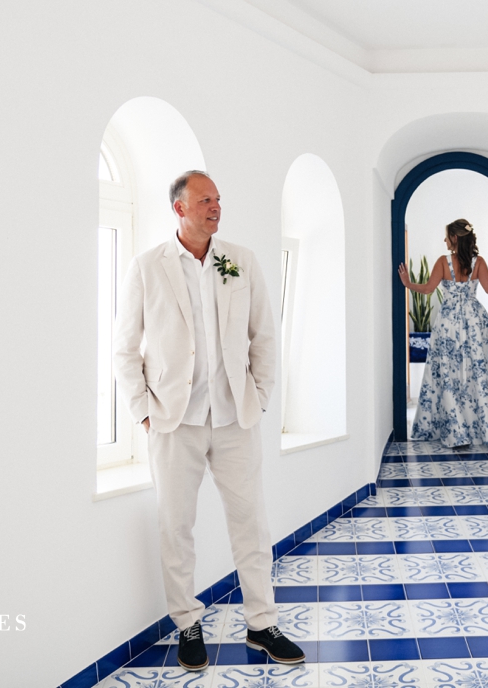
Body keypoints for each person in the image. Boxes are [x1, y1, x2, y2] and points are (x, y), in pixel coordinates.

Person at [113, 170, 303, 670]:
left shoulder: (239, 260)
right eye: (204, 200)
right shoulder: (146, 267)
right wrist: (143, 412)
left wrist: (259, 397)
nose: (215, 207)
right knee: (176, 526)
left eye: (218, 199)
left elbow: (265, 334)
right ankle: (187, 623)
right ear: (179, 208)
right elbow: (124, 349)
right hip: (174, 422)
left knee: (252, 523)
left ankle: (262, 624)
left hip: (236, 417)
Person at [398, 219, 488, 447]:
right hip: (476, 323)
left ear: (455, 238)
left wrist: (407, 283)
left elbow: (427, 289)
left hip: (449, 324)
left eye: (447, 236)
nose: (444, 240)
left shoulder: (443, 262)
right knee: (476, 374)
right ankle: (480, 428)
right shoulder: (479, 262)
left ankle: (456, 431)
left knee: (449, 375)